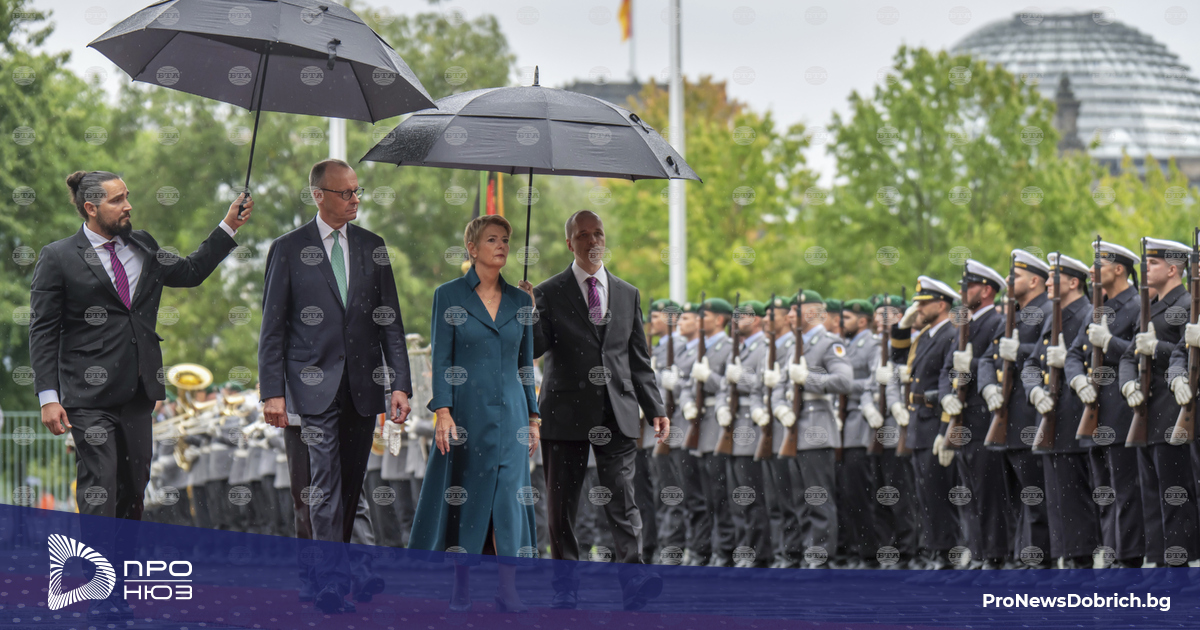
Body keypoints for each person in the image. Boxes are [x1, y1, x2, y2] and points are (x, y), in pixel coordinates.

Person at [29, 170, 250, 622]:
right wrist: (49, 396)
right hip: (86, 397)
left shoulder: (144, 244)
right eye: (117, 200)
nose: (128, 205)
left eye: (127, 196)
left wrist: (228, 225)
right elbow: (43, 330)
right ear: (91, 208)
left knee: (133, 490)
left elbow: (189, 272)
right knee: (99, 487)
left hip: (139, 393)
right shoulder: (57, 257)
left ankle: (117, 585)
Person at [259, 159, 412, 614]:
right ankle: (331, 580)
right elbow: (272, 328)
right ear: (318, 195)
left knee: (348, 484)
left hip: (363, 388)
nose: (354, 199)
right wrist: (272, 392)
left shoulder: (373, 247)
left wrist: (400, 385)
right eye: (345, 193)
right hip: (311, 388)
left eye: (357, 191)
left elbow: (391, 323)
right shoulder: (288, 249)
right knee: (323, 482)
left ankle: (331, 573)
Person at [531, 210, 668, 611]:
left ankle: (634, 580)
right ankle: (566, 587)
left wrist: (655, 407)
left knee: (623, 499)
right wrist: (527, 312)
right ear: (569, 243)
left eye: (598, 234)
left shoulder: (628, 293)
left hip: (617, 411)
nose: (593, 241)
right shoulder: (548, 292)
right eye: (583, 235)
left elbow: (638, 359)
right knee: (562, 507)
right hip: (565, 412)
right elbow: (534, 348)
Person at [407, 214, 540, 612]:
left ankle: (508, 589)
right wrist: (443, 411)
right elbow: (442, 358)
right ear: (472, 248)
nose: (502, 246)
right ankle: (461, 585)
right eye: (492, 239)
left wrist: (534, 418)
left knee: (508, 502)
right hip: (466, 416)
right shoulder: (448, 296)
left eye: (505, 240)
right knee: (466, 499)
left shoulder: (521, 301)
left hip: (513, 417)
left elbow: (526, 365)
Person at [1064, 241, 1145, 568]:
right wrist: (1077, 380)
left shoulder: (1138, 306)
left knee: (1125, 491)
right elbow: (1074, 354)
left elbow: (1140, 355)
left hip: (1122, 410)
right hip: (1094, 410)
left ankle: (1128, 560)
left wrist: (1109, 343)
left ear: (1119, 269)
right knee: (1103, 491)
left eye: (1099, 264)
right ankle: (1112, 556)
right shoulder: (1098, 308)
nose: (1091, 270)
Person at [1119, 238, 1197, 568]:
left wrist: (1156, 350)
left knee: (1174, 494)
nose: (1145, 269)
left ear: (1173, 269)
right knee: (1151, 494)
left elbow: (1185, 354)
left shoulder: (1188, 304)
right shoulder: (1150, 307)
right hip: (1147, 414)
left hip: (1175, 412)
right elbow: (1129, 355)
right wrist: (1127, 384)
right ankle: (1159, 562)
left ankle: (1178, 563)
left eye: (1153, 263)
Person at [977, 249, 1052, 568]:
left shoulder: (1048, 310)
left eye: (1016, 276)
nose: (1009, 280)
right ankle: (1019, 559)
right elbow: (987, 358)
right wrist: (987, 387)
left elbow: (1045, 355)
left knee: (1035, 498)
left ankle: (1039, 563)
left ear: (1035, 281)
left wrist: (1018, 351)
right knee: (1013, 498)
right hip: (1005, 418)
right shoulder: (1014, 313)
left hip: (1030, 416)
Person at [767, 289, 853, 568]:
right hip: (791, 430)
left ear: (813, 312)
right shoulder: (794, 345)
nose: (790, 315)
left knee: (817, 499)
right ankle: (803, 554)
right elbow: (779, 387)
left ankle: (820, 558)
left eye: (796, 310)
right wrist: (780, 408)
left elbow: (844, 381)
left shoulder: (829, 343)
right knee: (797, 499)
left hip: (817, 430)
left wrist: (808, 378)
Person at [1026, 252, 1100, 571]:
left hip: (1075, 416)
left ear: (1073, 283)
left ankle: (1081, 562)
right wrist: (1034, 390)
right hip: (1051, 417)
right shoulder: (1053, 316)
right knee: (1057, 499)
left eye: (1053, 278)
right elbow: (1032, 363)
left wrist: (1069, 365)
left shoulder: (1086, 313)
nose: (1046, 283)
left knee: (1074, 498)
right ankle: (1067, 559)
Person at [937, 260, 1009, 569]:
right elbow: (946, 370)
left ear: (987, 290)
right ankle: (978, 552)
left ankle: (994, 555)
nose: (962, 293)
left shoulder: (997, 322)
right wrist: (946, 397)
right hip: (962, 419)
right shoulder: (962, 325)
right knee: (968, 492)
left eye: (969, 287)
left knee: (988, 491)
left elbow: (998, 365)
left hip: (984, 418)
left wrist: (973, 367)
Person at [892, 276, 961, 570]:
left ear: (941, 305)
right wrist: (902, 326)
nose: (917, 309)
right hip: (919, 422)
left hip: (935, 420)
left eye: (923, 304)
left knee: (939, 492)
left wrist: (946, 429)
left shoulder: (951, 334)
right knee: (925, 494)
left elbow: (951, 384)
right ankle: (935, 551)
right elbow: (897, 356)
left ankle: (948, 553)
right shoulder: (925, 336)